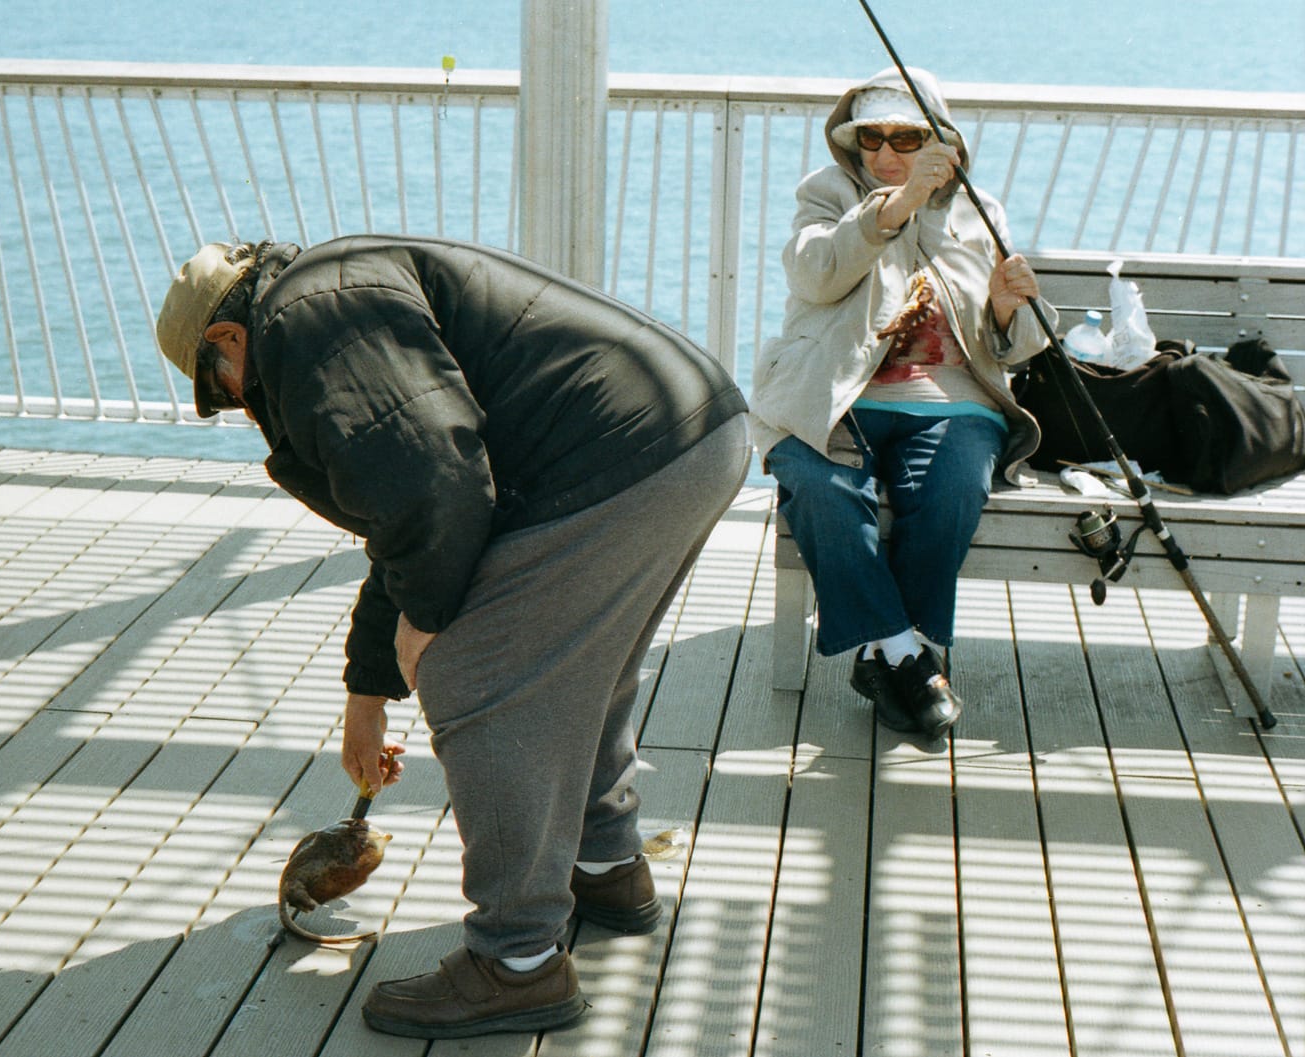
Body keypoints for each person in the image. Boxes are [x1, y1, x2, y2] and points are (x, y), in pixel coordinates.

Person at [156, 233, 750, 1038]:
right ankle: (605, 863)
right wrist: (366, 692)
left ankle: (516, 963)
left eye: (220, 390)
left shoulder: (301, 328)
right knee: (584, 664)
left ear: (226, 341)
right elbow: (403, 517)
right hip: (691, 429)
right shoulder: (333, 291)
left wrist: (428, 625)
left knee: (479, 676)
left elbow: (435, 483)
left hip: (618, 454)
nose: (235, 404)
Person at [748, 67, 1055, 742]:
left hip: (952, 401)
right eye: (871, 138)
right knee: (822, 489)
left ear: (942, 142)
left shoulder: (978, 210)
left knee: (951, 491)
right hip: (833, 392)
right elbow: (815, 271)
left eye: (906, 138)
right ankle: (904, 651)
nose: (885, 154)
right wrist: (894, 206)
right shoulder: (827, 194)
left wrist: (1008, 308)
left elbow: (1017, 348)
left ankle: (884, 653)